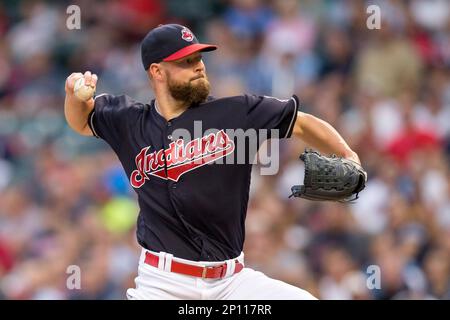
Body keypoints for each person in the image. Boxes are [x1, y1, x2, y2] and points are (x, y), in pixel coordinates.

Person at [64, 24, 360, 300]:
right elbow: (80, 121)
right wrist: (73, 93)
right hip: (162, 284)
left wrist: (349, 155)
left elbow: (302, 124)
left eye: (199, 58)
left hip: (231, 282)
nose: (199, 67)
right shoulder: (129, 121)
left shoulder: (236, 113)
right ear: (157, 71)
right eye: (186, 62)